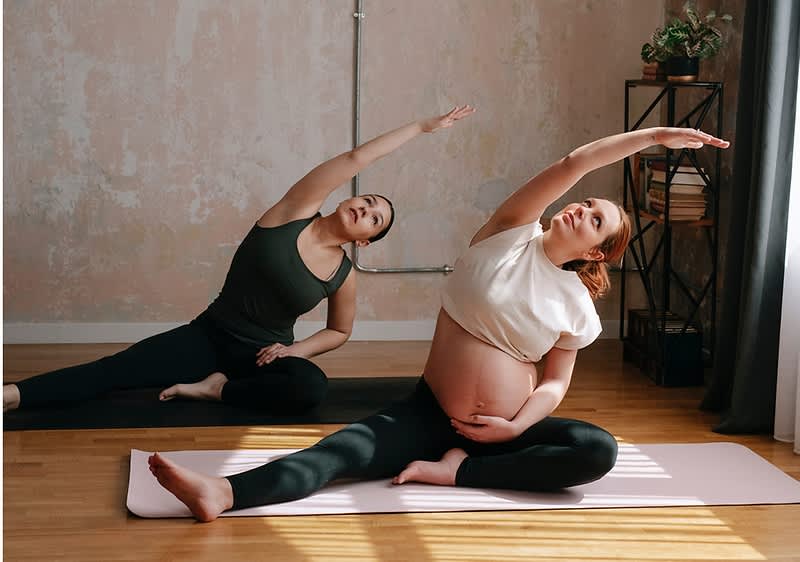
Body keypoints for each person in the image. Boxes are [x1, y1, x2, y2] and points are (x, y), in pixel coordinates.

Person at [147, 126, 730, 522]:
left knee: (596, 449)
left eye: (596, 218)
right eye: (586, 203)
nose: (582, 206)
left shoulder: (576, 302)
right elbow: (574, 164)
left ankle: (461, 472)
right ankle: (221, 492)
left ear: (597, 253)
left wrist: (512, 427)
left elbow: (554, 383)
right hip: (430, 410)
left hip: (504, 430)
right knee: (339, 453)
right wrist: (653, 138)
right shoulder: (507, 235)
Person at [3, 105, 476, 415]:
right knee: (117, 370)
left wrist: (294, 351)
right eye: (368, 200)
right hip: (208, 337)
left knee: (309, 388)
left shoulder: (342, 274)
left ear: (365, 242)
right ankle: (13, 394)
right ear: (348, 199)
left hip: (261, 355)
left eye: (374, 219)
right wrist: (420, 128)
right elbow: (353, 158)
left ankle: (217, 389)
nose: (365, 209)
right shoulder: (293, 213)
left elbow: (340, 331)